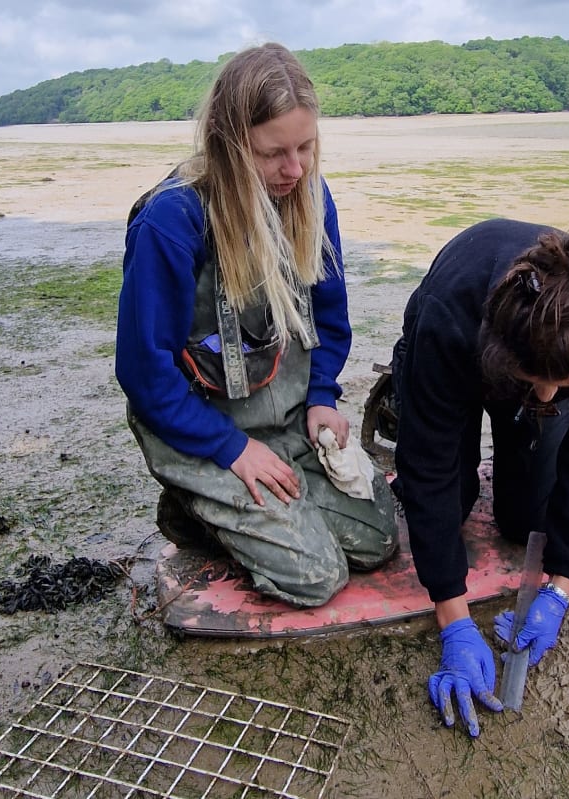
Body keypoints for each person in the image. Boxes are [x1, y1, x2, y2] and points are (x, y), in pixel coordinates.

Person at [115, 42, 398, 608]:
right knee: (317, 576)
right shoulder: (172, 221)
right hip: (202, 427)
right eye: (273, 154)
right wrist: (231, 449)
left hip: (287, 415)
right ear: (229, 143)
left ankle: (263, 510)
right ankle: (195, 507)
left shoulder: (310, 195)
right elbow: (145, 375)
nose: (295, 170)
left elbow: (330, 316)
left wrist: (321, 397)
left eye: (306, 147)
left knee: (378, 539)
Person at [389, 218, 569, 737]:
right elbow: (428, 466)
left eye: (564, 384)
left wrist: (561, 588)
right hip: (459, 340)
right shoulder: (450, 316)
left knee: (526, 520)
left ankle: (541, 396)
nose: (548, 396)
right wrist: (454, 621)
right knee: (449, 496)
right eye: (537, 381)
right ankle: (449, 400)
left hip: (552, 352)